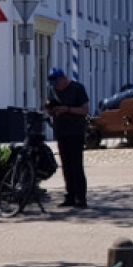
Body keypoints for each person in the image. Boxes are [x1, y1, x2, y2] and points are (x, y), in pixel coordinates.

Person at [46, 67, 90, 208]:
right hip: (61, 131)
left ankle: (81, 198)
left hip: (76, 132)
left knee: (76, 165)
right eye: (53, 84)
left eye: (57, 83)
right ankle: (70, 196)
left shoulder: (77, 88)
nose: (56, 86)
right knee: (66, 166)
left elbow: (85, 110)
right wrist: (51, 110)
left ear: (63, 79)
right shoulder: (53, 90)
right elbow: (49, 107)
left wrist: (68, 109)